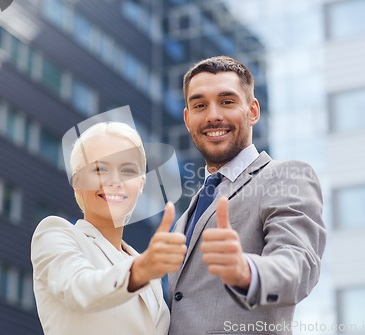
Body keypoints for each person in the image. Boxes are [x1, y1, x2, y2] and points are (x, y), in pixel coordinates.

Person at [167, 56, 326, 335]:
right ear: (187, 118)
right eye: (200, 105)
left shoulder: (286, 177)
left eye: (227, 102)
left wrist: (245, 270)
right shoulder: (184, 217)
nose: (213, 115)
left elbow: (298, 265)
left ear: (252, 111)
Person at [31, 122, 187, 335]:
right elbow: (80, 287)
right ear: (77, 181)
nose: (115, 180)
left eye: (127, 170)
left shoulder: (147, 270)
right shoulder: (55, 234)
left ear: (141, 184)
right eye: (100, 169)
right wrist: (140, 271)